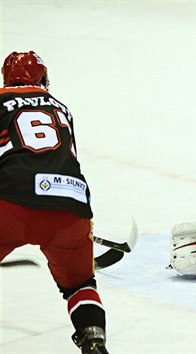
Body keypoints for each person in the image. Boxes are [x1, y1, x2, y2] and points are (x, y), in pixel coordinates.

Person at [0, 51, 109, 354]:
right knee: (80, 285)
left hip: (12, 202)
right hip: (71, 204)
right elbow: (59, 159)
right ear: (41, 78)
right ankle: (94, 340)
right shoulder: (62, 109)